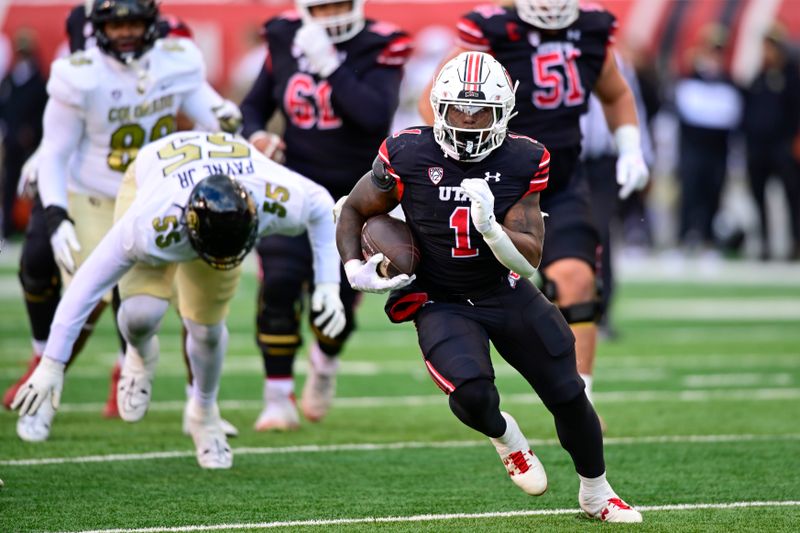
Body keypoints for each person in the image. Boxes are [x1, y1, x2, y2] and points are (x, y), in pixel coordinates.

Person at [337, 51, 641, 523]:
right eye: (458, 108)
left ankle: (597, 493)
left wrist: (493, 229)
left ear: (505, 113)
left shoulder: (524, 157)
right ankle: (508, 438)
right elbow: (354, 208)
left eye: (482, 112)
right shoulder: (407, 152)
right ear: (437, 106)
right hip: (441, 298)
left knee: (568, 390)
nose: (469, 121)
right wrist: (354, 267)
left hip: (503, 286)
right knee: (474, 394)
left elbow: (532, 259)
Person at [11, 130, 345, 469]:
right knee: (142, 313)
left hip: (217, 176)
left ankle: (204, 413)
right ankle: (139, 357)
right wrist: (52, 363)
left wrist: (328, 285)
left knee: (207, 330)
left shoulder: (274, 195)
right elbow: (87, 285)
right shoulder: (150, 225)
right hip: (150, 178)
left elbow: (322, 207)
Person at [7, 0, 242, 443]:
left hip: (156, 196)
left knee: (174, 309)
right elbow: (54, 152)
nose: (127, 33)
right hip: (95, 195)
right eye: (117, 25)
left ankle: (187, 396)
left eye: (135, 22)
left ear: (153, 23)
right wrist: (56, 215)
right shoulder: (78, 73)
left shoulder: (177, 59)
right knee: (83, 294)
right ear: (98, 28)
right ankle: (44, 396)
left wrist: (227, 119)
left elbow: (208, 106)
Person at [419, 0, 648, 414]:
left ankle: (581, 401)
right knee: (467, 290)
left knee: (576, 282)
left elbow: (614, 93)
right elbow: (435, 100)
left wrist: (630, 148)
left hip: (558, 181)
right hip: (495, 181)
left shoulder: (592, 28)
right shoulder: (494, 29)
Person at [240, 0, 412, 431]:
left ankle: (325, 362)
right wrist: (257, 135)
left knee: (336, 302)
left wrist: (331, 66)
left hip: (354, 194)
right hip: (294, 185)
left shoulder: (380, 43)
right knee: (278, 283)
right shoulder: (283, 35)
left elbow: (374, 116)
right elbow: (252, 107)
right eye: (322, 6)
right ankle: (277, 397)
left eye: (339, 4)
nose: (332, 14)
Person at [674, 24, 742, 255]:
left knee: (713, 193)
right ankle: (684, 239)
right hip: (693, 148)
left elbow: (731, 117)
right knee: (690, 192)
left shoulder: (729, 83)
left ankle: (708, 240)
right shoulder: (689, 79)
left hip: (718, 150)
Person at [742, 24, 800, 261]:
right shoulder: (758, 79)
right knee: (758, 196)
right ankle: (764, 243)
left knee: (792, 197)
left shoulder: (792, 78)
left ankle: (795, 242)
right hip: (758, 149)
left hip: (783, 147)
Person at [0, 29, 47, 238]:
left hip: (32, 144)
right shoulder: (10, 80)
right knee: (9, 185)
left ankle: (37, 229)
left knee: (37, 187)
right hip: (12, 142)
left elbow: (44, 112)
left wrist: (32, 131)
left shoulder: (40, 81)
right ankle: (8, 227)